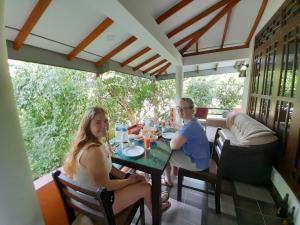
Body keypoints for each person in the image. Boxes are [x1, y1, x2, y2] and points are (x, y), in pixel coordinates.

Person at [63, 107, 170, 225]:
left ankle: (156, 204)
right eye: (98, 122)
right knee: (146, 187)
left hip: (93, 198)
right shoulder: (93, 150)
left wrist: (127, 176)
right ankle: (156, 211)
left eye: (106, 121)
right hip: (98, 205)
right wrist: (129, 181)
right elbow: (104, 185)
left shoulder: (89, 144)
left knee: (140, 178)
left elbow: (110, 170)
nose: (104, 125)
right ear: (88, 126)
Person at [164, 98, 210, 186]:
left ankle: (168, 180)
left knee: (166, 154)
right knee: (175, 149)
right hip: (202, 159)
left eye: (184, 108)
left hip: (198, 163)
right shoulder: (193, 121)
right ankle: (174, 173)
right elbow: (183, 130)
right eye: (179, 108)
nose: (180, 111)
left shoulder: (191, 127)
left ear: (192, 110)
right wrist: (177, 130)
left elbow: (174, 145)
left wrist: (173, 138)